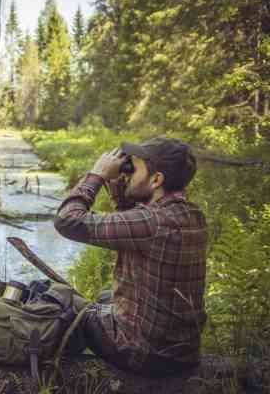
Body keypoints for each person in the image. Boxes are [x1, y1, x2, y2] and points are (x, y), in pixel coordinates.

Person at [54, 136, 208, 377]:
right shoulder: (191, 214)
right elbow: (136, 230)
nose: (128, 174)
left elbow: (67, 221)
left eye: (134, 170)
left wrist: (96, 176)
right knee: (107, 296)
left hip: (143, 356)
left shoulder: (151, 222)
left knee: (62, 303)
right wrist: (120, 190)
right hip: (182, 354)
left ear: (156, 180)